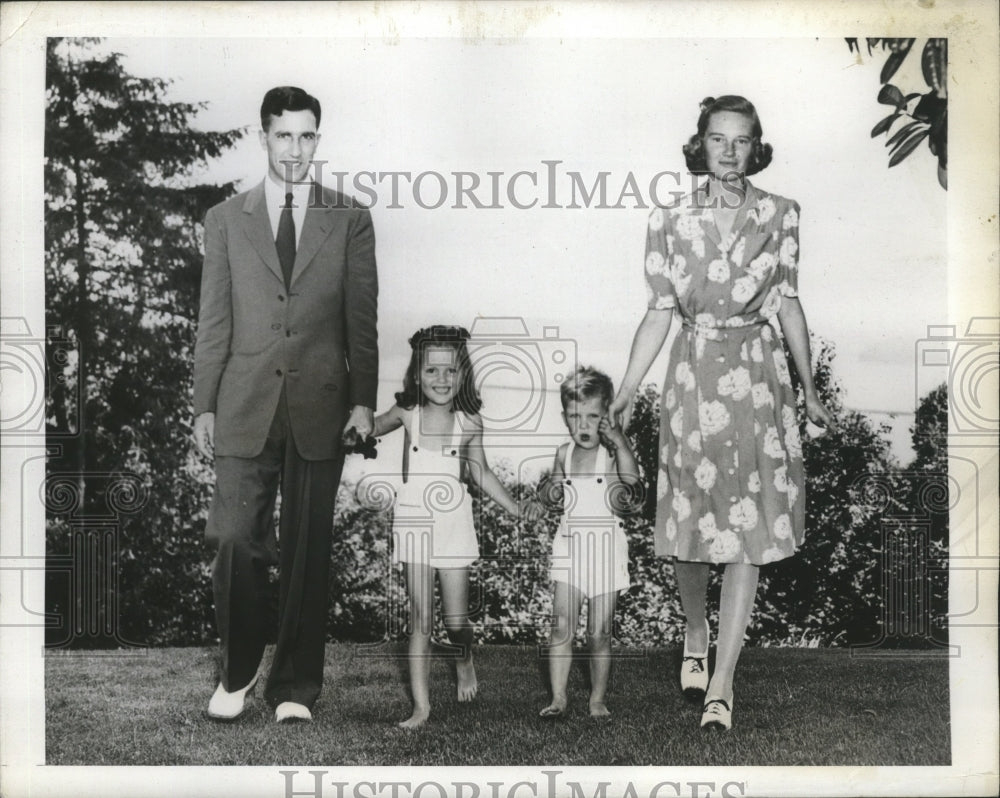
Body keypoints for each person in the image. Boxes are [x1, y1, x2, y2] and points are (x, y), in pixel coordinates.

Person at [608, 95, 835, 731]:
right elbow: (659, 311)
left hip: (760, 383)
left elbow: (788, 302)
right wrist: (626, 394)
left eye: (741, 140)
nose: (729, 151)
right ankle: (695, 630)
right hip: (693, 376)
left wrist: (808, 387)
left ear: (756, 145)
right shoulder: (669, 220)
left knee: (747, 533)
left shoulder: (782, 214)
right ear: (700, 145)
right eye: (717, 139)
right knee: (690, 523)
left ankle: (722, 685)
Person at [193, 86, 378, 723]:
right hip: (243, 402)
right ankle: (238, 669)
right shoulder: (225, 219)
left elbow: (362, 321)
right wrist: (203, 406)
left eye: (307, 137)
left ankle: (295, 687)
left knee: (308, 549)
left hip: (321, 404)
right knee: (234, 538)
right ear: (263, 136)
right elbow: (212, 321)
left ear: (316, 141)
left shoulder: (349, 218)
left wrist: (362, 403)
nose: (295, 150)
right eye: (283, 136)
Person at [372, 325, 542, 729]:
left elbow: (480, 473)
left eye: (451, 371)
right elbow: (369, 427)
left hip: (454, 525)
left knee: (455, 623)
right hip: (413, 521)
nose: (441, 380)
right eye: (432, 371)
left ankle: (463, 657)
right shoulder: (406, 413)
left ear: (463, 374)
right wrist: (349, 423)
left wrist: (516, 508)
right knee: (420, 619)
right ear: (416, 374)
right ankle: (421, 708)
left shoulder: (470, 422)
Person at [537, 367, 640, 720]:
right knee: (561, 624)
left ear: (606, 415)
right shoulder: (563, 453)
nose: (583, 425)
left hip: (605, 549)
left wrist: (622, 442)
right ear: (564, 415)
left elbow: (631, 481)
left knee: (598, 632)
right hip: (568, 546)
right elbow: (552, 493)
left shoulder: (611, 453)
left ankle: (597, 698)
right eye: (575, 416)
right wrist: (546, 494)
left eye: (593, 416)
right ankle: (558, 697)